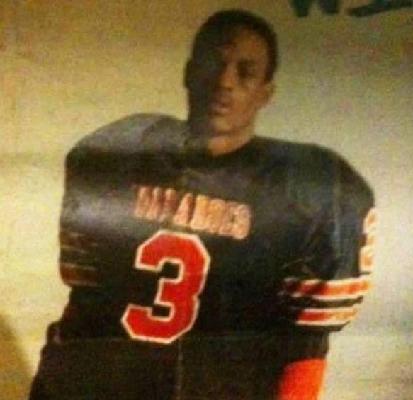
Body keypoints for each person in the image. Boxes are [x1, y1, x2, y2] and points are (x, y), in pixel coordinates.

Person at [30, 9, 375, 400]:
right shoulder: (118, 155)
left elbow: (306, 345)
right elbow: (85, 296)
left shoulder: (310, 189)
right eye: (215, 63)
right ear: (189, 72)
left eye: (245, 72)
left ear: (266, 92)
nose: (225, 82)